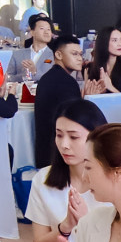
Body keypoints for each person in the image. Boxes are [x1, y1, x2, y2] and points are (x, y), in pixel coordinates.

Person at [26, 100, 108, 242]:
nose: (64, 145)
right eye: (59, 135)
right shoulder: (43, 179)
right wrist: (66, 226)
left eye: (73, 137)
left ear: (97, 137)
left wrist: (85, 223)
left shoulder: (113, 181)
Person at [34, 35, 88, 170]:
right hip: (60, 155)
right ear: (58, 55)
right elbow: (75, 119)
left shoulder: (48, 78)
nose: (79, 58)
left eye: (80, 54)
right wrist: (88, 101)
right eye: (74, 54)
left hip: (46, 152)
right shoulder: (66, 82)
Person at [8, 14, 55, 81]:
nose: (46, 32)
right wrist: (23, 77)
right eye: (42, 28)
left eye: (49, 29)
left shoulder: (54, 55)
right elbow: (8, 77)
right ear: (32, 32)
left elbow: (52, 78)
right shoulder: (17, 54)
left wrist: (34, 72)